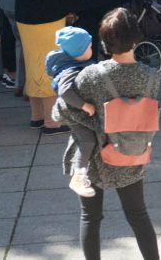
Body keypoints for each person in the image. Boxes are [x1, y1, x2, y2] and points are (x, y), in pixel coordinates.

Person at [54, 7, 161, 260]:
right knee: (138, 215)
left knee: (90, 217)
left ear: (103, 42)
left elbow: (60, 111)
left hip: (93, 159)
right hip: (130, 153)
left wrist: (91, 121)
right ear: (137, 39)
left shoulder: (90, 76)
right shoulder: (151, 77)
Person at [14, 0, 79, 134]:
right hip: (46, 17)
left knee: (34, 64)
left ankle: (37, 116)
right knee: (50, 67)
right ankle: (52, 122)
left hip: (26, 16)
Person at [44, 26, 98, 196]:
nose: (92, 49)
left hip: (75, 110)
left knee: (87, 139)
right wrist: (84, 105)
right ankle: (78, 175)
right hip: (74, 113)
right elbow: (65, 91)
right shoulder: (70, 70)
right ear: (79, 52)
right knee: (88, 140)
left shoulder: (73, 62)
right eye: (89, 47)